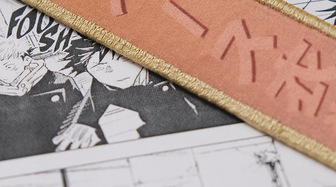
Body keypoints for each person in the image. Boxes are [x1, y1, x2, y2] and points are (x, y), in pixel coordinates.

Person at [64, 37, 239, 143]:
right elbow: (94, 98)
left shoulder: (174, 65)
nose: (108, 69)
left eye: (116, 57)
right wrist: (84, 123)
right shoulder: (106, 84)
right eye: (98, 67)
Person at [0, 38, 99, 164]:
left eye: (9, 66)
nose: (2, 75)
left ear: (26, 61)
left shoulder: (61, 82)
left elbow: (83, 117)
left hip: (64, 156)